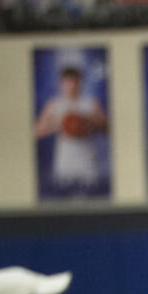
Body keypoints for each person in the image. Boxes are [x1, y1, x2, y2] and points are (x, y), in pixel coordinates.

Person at [33, 51, 107, 193]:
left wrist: (89, 122)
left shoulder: (91, 104)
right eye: (68, 81)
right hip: (65, 160)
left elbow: (107, 129)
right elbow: (36, 132)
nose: (72, 85)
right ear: (62, 83)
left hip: (87, 160)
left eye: (75, 81)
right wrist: (59, 124)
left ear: (81, 82)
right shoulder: (54, 105)